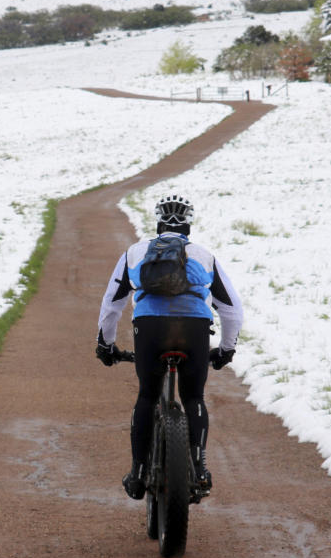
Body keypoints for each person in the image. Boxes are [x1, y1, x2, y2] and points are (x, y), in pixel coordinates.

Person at [95, 195, 244, 500]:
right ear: (189, 223)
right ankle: (199, 468)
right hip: (194, 329)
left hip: (150, 328)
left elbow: (112, 305)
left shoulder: (135, 253)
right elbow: (232, 310)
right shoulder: (204, 255)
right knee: (193, 396)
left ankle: (137, 472)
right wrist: (226, 349)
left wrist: (106, 344)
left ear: (157, 221)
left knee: (148, 396)